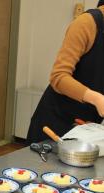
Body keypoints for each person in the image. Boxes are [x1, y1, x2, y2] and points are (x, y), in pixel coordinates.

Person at [27, 0, 104, 144]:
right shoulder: (87, 23)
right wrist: (97, 99)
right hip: (55, 123)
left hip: (87, 130)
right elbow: (59, 77)